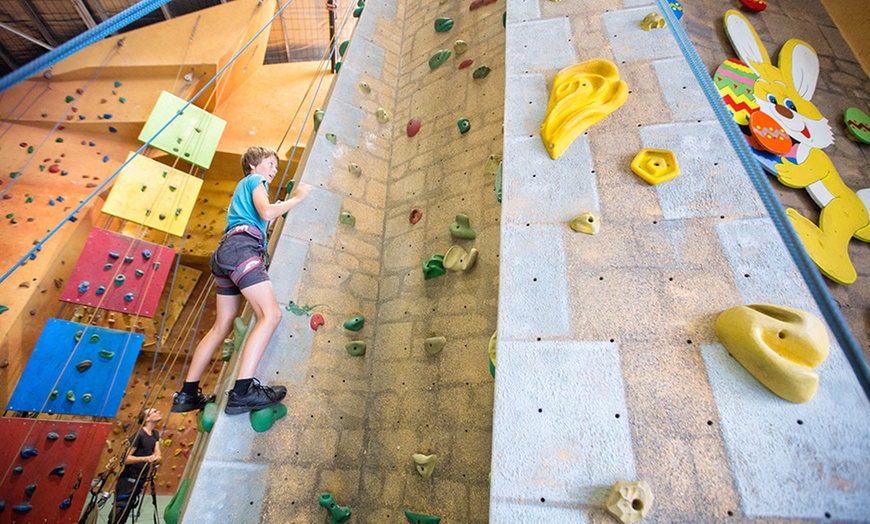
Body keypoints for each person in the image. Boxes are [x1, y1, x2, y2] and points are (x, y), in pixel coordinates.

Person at [171, 146, 310, 415]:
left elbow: (265, 219)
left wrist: (278, 208)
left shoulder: (242, 193)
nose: (273, 171)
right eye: (270, 164)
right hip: (242, 249)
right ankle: (243, 390)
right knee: (270, 315)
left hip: (227, 252)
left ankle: (187, 394)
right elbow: (268, 213)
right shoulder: (254, 181)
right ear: (253, 165)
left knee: (221, 326)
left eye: (275, 167)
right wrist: (298, 198)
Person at [111, 407, 161, 523]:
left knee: (127, 510)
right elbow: (125, 459)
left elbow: (157, 450)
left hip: (139, 481)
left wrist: (157, 456)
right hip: (128, 481)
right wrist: (146, 458)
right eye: (154, 411)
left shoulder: (155, 434)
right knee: (119, 513)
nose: (158, 411)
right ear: (147, 419)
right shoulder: (139, 435)